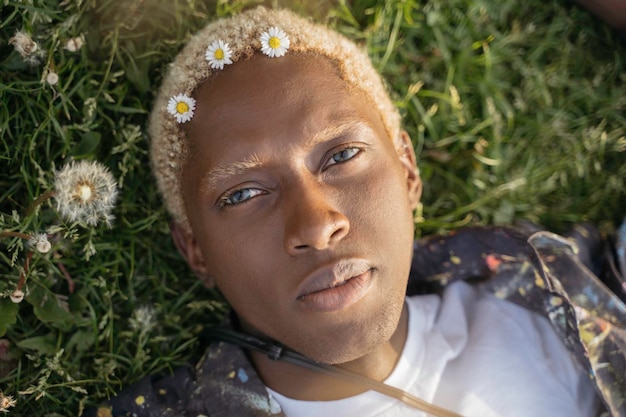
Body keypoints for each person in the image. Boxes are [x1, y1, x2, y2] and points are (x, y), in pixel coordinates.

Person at [86, 6, 626, 417]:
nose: (318, 227)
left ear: (408, 171)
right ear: (197, 251)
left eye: (341, 156)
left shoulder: (558, 295)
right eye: (245, 193)